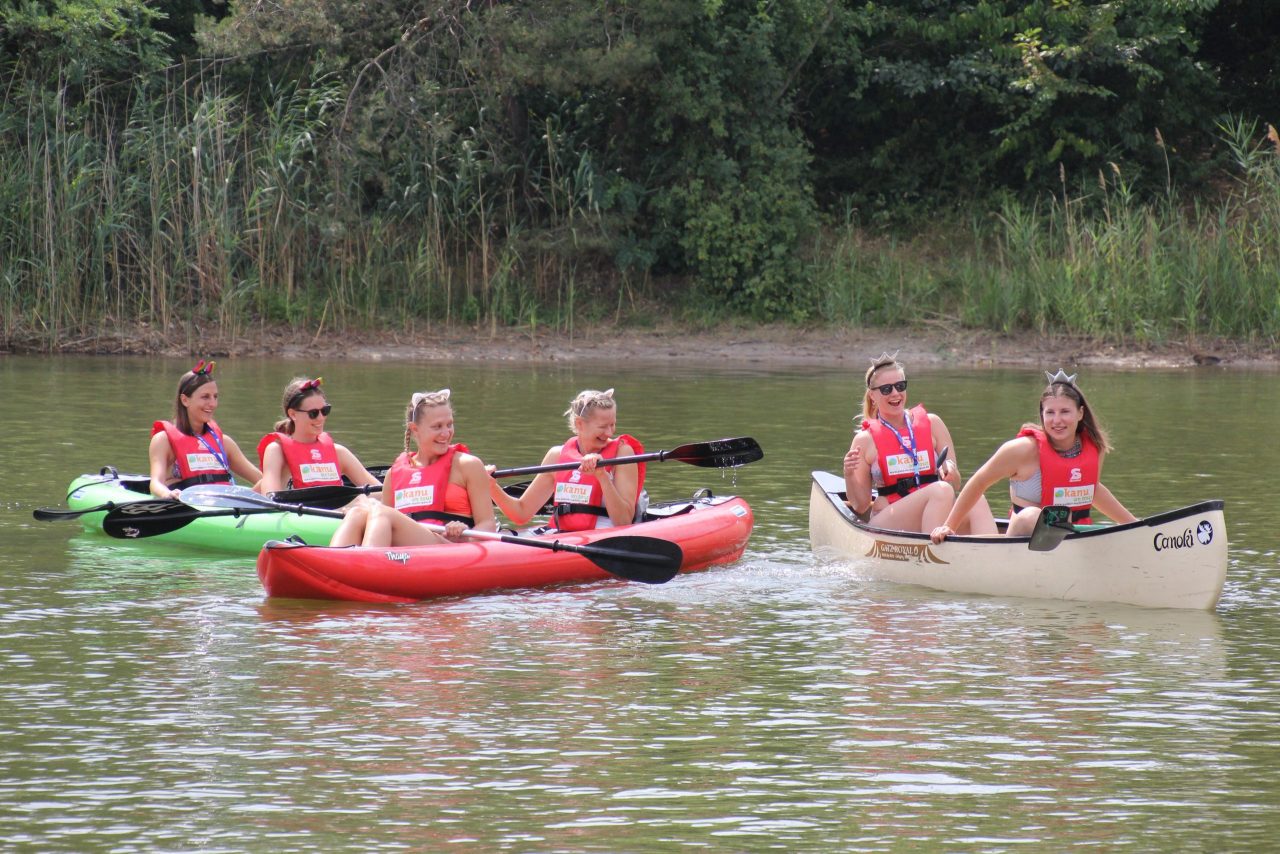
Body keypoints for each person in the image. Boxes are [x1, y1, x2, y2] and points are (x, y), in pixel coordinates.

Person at [930, 370, 1138, 544]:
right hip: (1022, 539)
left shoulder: (1094, 448)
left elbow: (1092, 490)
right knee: (1032, 515)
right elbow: (979, 482)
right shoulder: (1022, 450)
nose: (1057, 420)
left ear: (1080, 413)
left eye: (1065, 411)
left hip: (1073, 538)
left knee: (1125, 528)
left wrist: (1134, 525)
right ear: (1042, 415)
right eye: (1050, 413)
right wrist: (949, 526)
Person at [843, 353, 996, 534]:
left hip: (936, 506)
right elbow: (860, 506)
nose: (895, 393)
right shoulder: (864, 440)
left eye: (900, 386)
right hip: (888, 519)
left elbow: (955, 484)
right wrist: (849, 474)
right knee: (941, 491)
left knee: (976, 499)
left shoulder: (933, 423)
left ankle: (991, 550)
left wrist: (950, 470)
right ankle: (933, 549)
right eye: (886, 389)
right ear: (872, 395)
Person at [328, 389, 497, 547]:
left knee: (382, 512)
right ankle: (335, 562)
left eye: (449, 424)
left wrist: (465, 536)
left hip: (448, 547)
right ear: (414, 429)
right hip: (406, 551)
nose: (446, 433)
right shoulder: (393, 474)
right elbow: (378, 522)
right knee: (357, 513)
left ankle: (366, 562)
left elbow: (488, 524)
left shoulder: (468, 465)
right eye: (437, 426)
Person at [488, 388, 645, 531]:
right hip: (562, 536)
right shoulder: (556, 456)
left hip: (603, 538)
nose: (610, 433)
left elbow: (624, 521)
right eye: (603, 427)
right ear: (579, 424)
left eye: (613, 424)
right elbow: (521, 513)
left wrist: (602, 476)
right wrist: (491, 487)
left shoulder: (622, 453)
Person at [148, 359, 263, 500]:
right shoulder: (163, 441)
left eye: (215, 397)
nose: (213, 404)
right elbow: (155, 483)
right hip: (182, 504)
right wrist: (167, 494)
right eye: (205, 397)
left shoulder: (224, 443)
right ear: (185, 400)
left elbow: (263, 480)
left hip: (224, 505)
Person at [256, 376, 380, 494]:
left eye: (325, 410)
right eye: (313, 413)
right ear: (293, 414)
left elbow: (379, 492)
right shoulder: (276, 452)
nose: (321, 418)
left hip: (337, 507)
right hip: (294, 508)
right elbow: (269, 498)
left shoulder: (339, 453)